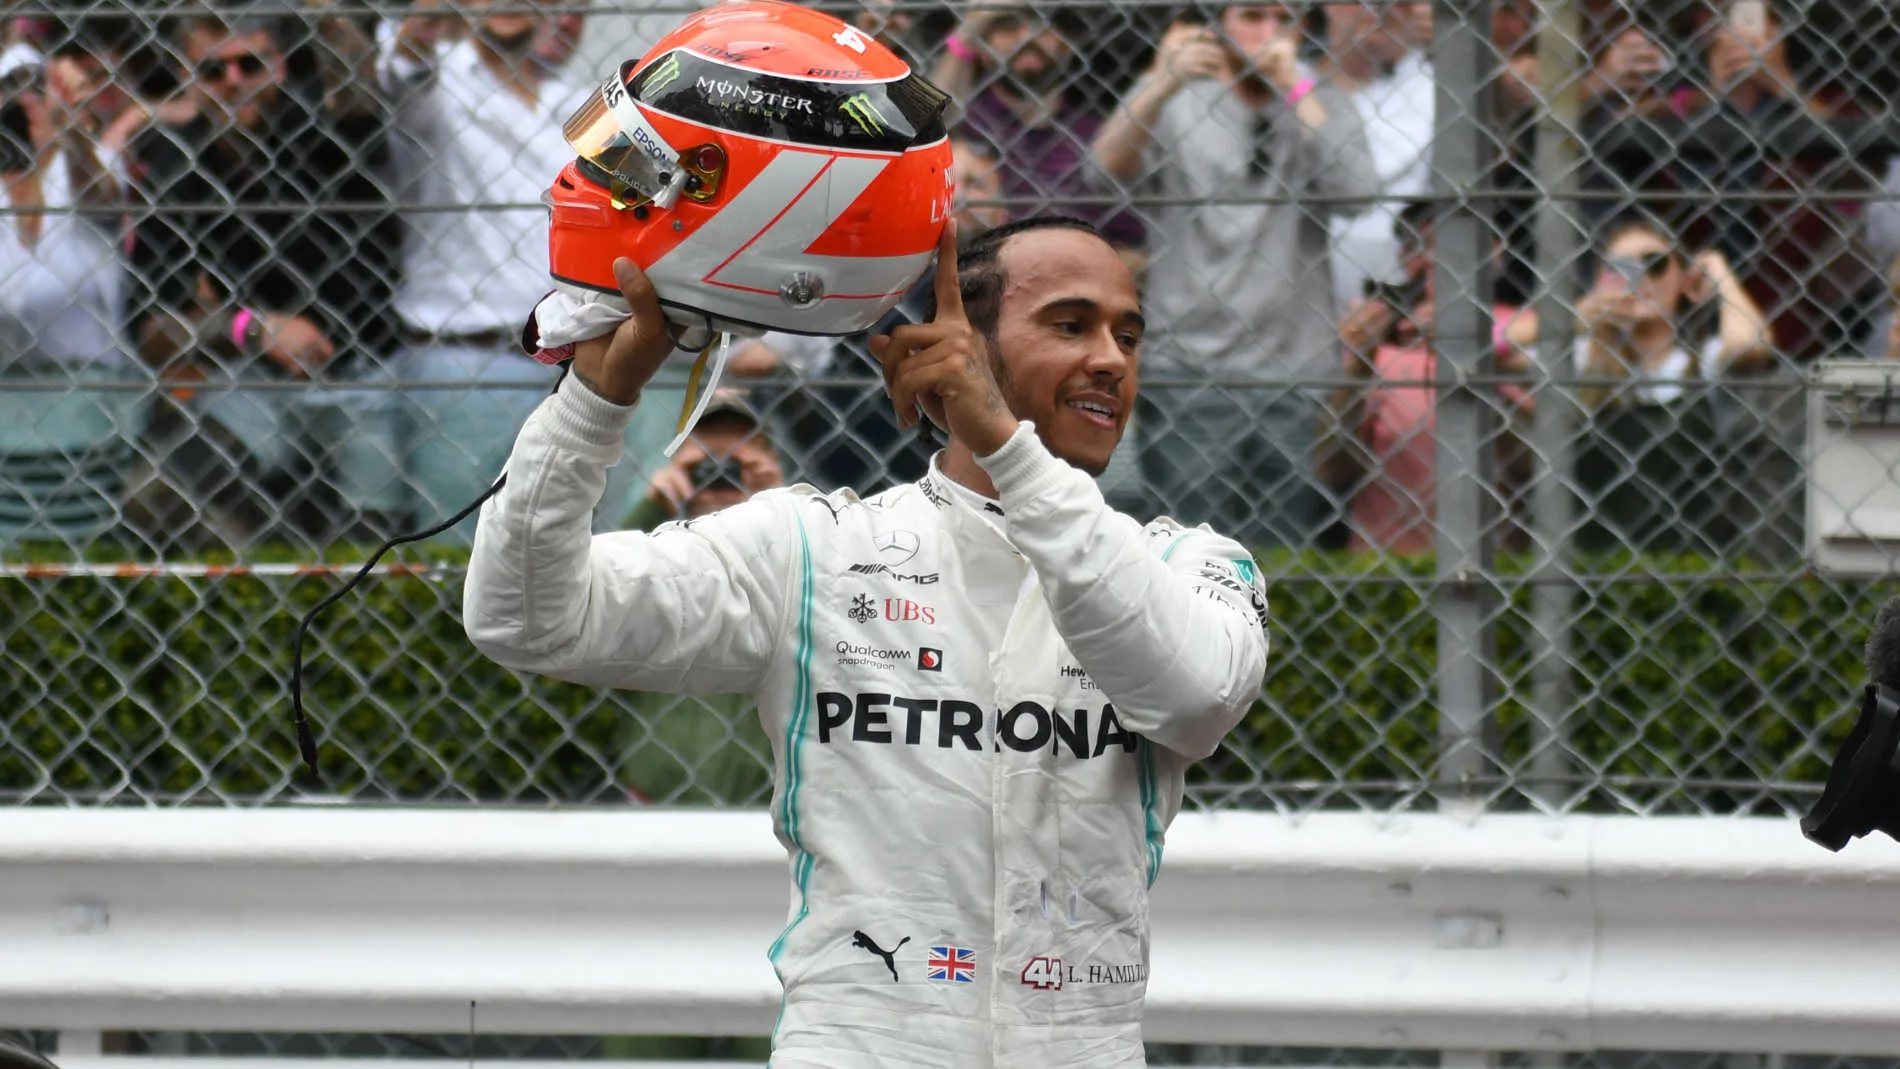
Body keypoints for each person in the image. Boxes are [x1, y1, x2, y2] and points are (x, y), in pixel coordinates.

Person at [463, 216, 1270, 1065]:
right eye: (1071, 325)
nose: (1112, 357)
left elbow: (1192, 697)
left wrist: (1009, 448)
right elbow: (524, 615)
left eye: (1129, 334)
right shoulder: (813, 549)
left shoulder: (1194, 564)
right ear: (959, 346)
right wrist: (592, 404)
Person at [1090, 2, 1376, 549]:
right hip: (1190, 366)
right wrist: (1159, 81)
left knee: (1288, 552)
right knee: (1185, 550)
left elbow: (1358, 193)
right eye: (1251, 15)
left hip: (1295, 370)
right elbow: (1101, 173)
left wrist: (1296, 90)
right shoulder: (1177, 99)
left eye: (1283, 18)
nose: (1268, 33)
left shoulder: (1321, 100)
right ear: (1217, 23)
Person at [124, 3, 403, 550]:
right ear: (188, 78)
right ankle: (246, 595)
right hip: (253, 380)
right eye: (213, 70)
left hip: (364, 372)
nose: (233, 83)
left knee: (375, 550)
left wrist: (325, 17)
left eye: (249, 65)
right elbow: (152, 327)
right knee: (155, 494)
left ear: (277, 65)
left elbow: (356, 91)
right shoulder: (177, 164)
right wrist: (251, 328)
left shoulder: (324, 127)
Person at [379, 0, 590, 545]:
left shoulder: (575, 106)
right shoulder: (434, 78)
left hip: (570, 363)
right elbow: (401, 66)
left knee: (570, 559)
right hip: (462, 359)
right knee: (456, 565)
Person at [1506, 214, 1774, 556]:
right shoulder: (1579, 360)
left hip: (1688, 562)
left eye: (1656, 264)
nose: (1641, 279)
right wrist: (1580, 314)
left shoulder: (1699, 362)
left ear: (1683, 278)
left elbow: (1754, 344)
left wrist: (1718, 272)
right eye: (1622, 268)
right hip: (1592, 562)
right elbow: (1489, 350)